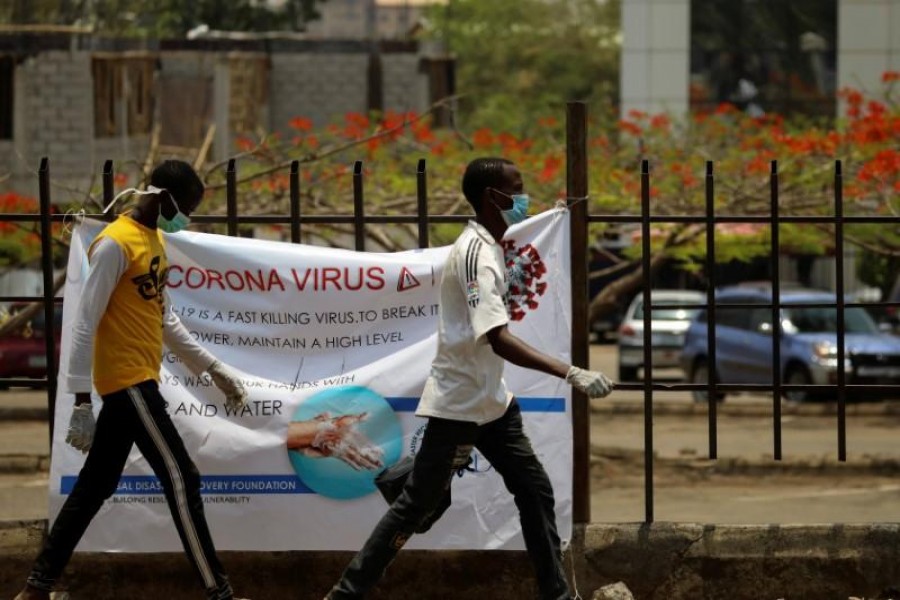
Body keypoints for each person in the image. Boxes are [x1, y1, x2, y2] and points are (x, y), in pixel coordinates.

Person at [324, 157, 615, 600]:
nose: (523, 197)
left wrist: (549, 215)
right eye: (516, 191)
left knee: (534, 493)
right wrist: (569, 371)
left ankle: (557, 595)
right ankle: (345, 594)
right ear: (491, 198)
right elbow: (497, 338)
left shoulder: (491, 244)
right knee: (413, 508)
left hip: (493, 403)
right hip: (459, 403)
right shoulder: (477, 256)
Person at [15, 160, 251, 600]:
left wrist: (213, 370)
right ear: (163, 198)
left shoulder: (154, 240)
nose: (188, 218)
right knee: (183, 477)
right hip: (129, 382)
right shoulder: (114, 244)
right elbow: (85, 323)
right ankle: (219, 592)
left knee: (94, 486)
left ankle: (36, 587)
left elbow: (163, 318)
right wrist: (81, 400)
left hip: (139, 380)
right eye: (187, 208)